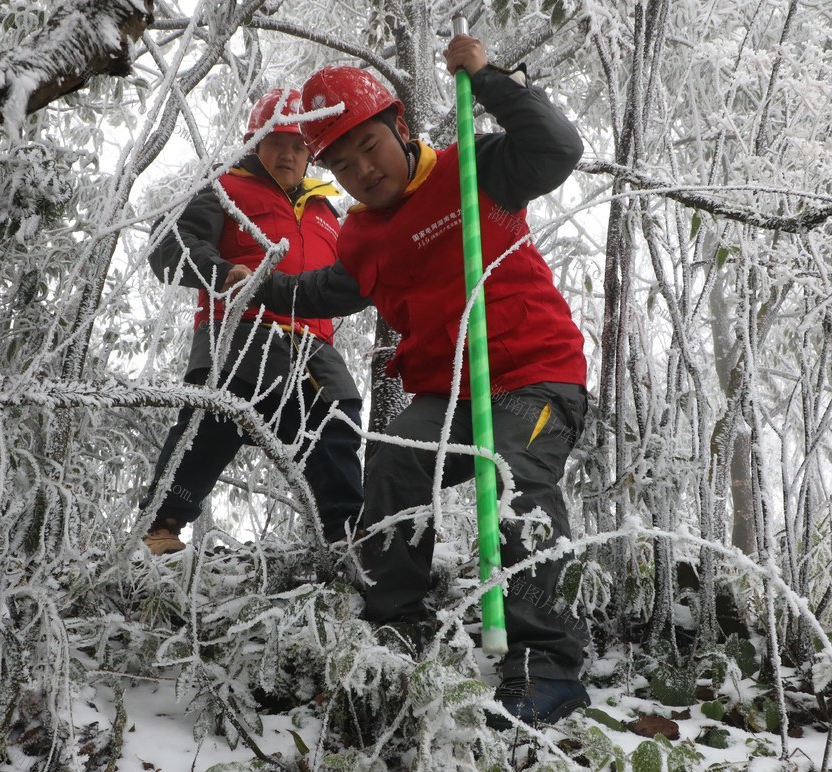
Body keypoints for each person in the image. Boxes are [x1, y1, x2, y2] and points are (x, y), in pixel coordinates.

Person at [236, 37, 591, 728]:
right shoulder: (364, 237)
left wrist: (486, 78)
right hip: (448, 395)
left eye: (369, 146)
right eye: (339, 164)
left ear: (400, 128)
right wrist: (260, 286)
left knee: (513, 481)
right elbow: (326, 290)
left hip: (536, 377)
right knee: (394, 463)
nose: (360, 170)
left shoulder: (476, 169)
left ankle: (545, 668)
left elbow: (558, 148)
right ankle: (395, 630)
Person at [140, 88, 367, 556]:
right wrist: (223, 273)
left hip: (315, 346)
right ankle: (160, 527)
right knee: (214, 420)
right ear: (253, 143)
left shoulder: (330, 211)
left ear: (312, 152)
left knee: (335, 427)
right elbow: (169, 246)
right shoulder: (224, 187)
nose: (287, 153)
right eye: (275, 141)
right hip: (240, 331)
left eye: (299, 144)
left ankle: (343, 540)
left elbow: (359, 276)